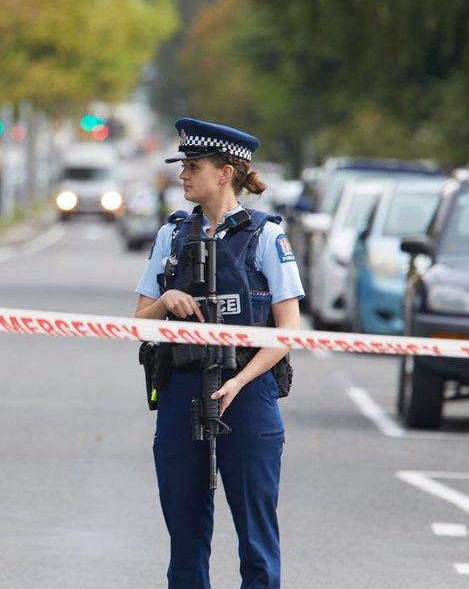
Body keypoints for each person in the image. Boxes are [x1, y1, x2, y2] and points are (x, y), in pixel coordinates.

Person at [134, 118, 304, 589]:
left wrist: (240, 381)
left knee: (256, 540)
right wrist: (165, 303)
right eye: (183, 166)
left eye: (193, 166)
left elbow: (287, 330)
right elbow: (136, 323)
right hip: (181, 388)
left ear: (225, 172)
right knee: (184, 538)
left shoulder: (267, 237)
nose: (183, 175)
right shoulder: (171, 236)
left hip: (246, 391)